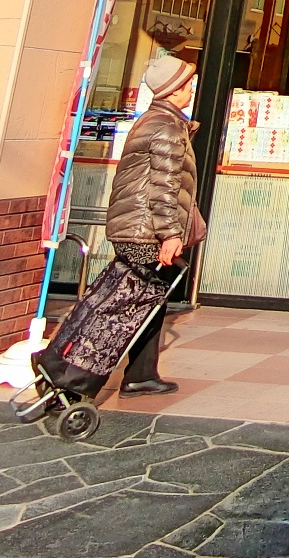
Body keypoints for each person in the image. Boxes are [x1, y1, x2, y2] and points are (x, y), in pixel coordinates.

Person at [105, 50, 202, 395]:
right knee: (136, 304)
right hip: (145, 231)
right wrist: (170, 234)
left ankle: (141, 373)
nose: (191, 89)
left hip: (136, 227)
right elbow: (164, 187)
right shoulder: (166, 127)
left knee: (145, 301)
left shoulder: (153, 120)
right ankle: (109, 372)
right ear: (173, 90)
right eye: (187, 84)